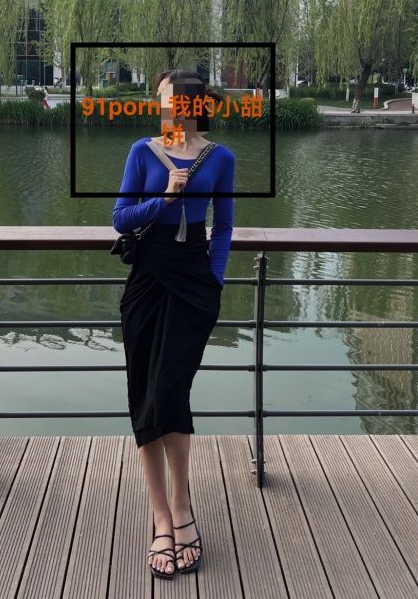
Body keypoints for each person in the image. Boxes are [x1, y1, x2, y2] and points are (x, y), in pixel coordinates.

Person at [112, 68, 235, 579]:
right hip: (147, 280)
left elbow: (224, 228)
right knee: (145, 395)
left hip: (192, 281)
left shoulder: (220, 158)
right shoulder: (143, 152)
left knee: (171, 392)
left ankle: (182, 506)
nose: (163, 107)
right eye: (159, 99)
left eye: (170, 99)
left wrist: (215, 282)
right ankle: (162, 517)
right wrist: (162, 198)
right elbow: (120, 218)